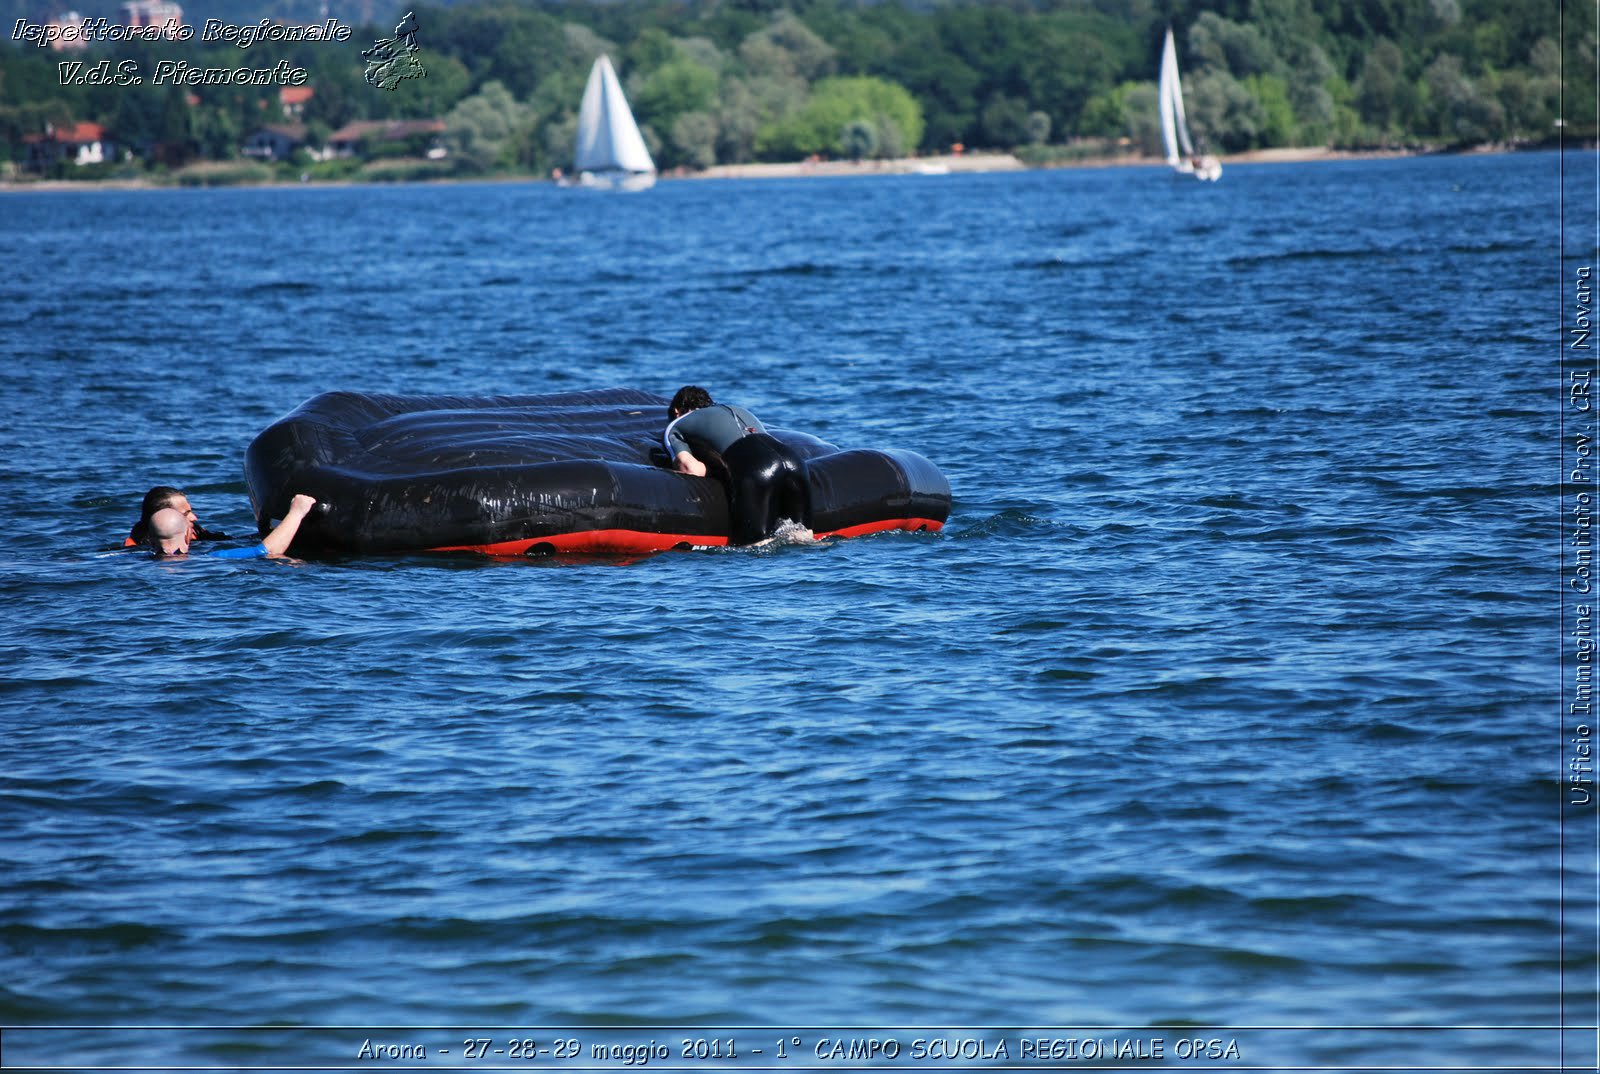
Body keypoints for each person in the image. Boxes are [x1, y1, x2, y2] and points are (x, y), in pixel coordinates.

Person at [663, 385, 811, 546]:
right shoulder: (738, 409)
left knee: (754, 548)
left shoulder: (676, 424)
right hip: (795, 462)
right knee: (803, 540)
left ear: (676, 411)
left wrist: (720, 471)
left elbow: (690, 469)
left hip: (757, 468)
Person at [147, 494, 317, 559]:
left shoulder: (129, 559)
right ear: (187, 536)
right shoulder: (212, 558)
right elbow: (266, 551)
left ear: (150, 539)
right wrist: (296, 512)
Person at [125, 486, 228, 548]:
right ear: (164, 517)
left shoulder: (199, 533)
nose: (194, 518)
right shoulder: (136, 549)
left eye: (191, 511)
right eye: (185, 514)